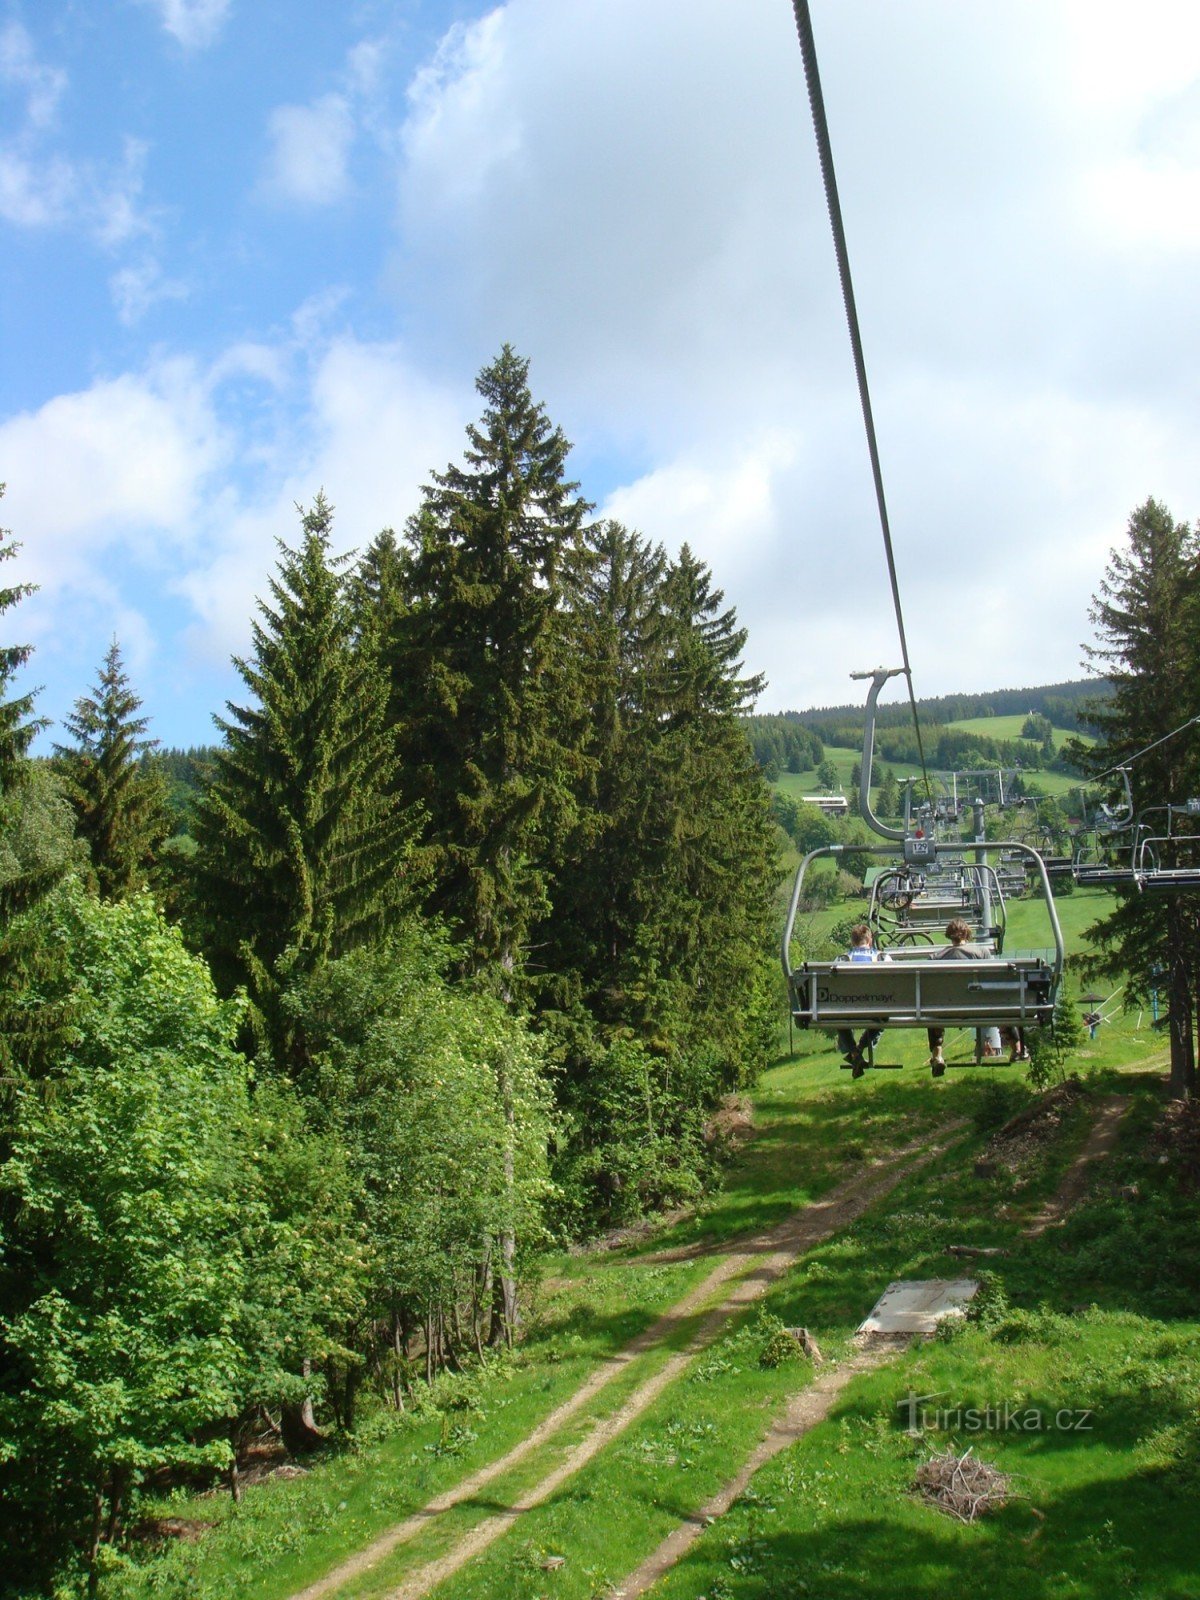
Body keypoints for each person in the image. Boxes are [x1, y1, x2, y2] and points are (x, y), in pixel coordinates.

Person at [926, 917, 981, 1077]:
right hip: (977, 1007)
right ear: (967, 934)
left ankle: (937, 1055)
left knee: (934, 1009)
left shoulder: (936, 957)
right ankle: (1017, 1047)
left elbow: (928, 987)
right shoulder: (981, 953)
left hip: (945, 1009)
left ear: (949, 935)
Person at [836, 923, 888, 1078]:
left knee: (837, 1017)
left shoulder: (842, 959)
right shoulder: (881, 958)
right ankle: (858, 1049)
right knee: (883, 1018)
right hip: (875, 1010)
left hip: (848, 1010)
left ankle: (854, 1053)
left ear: (852, 942)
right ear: (870, 940)